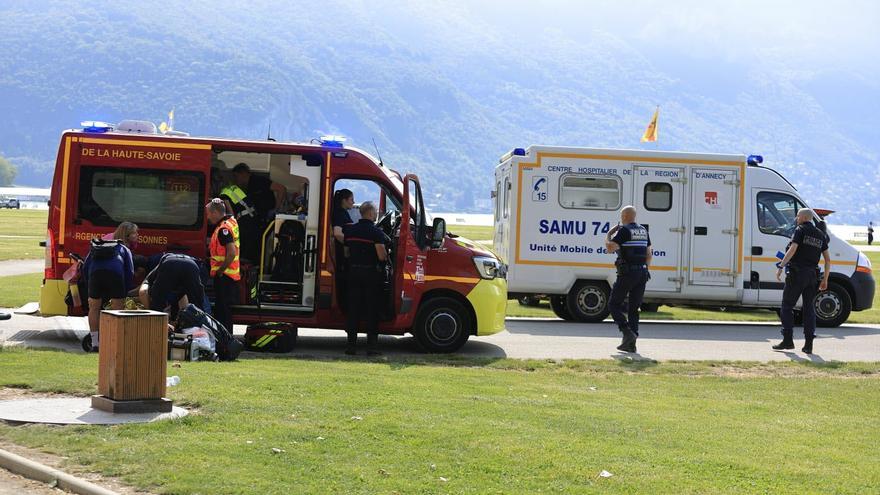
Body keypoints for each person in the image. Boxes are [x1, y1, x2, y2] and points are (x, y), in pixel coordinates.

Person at [773, 208, 831, 354]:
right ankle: (808, 345)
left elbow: (792, 249)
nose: (796, 218)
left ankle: (787, 340)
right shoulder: (820, 234)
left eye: (798, 216)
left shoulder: (800, 230)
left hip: (797, 274)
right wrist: (825, 279)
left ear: (804, 217)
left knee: (787, 306)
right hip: (813, 276)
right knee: (808, 309)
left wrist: (781, 265)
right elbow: (828, 259)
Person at [342, 201, 390, 355]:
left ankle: (351, 346)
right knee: (371, 309)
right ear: (370, 213)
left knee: (353, 309)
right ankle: (372, 347)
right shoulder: (376, 233)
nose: (376, 214)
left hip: (353, 273)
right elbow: (382, 256)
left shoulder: (350, 231)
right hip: (370, 275)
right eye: (375, 211)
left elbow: (346, 253)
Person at [605, 205, 652, 353]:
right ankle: (631, 343)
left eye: (621, 216)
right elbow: (649, 254)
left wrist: (608, 234)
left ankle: (626, 332)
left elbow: (610, 248)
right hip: (643, 273)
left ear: (624, 216)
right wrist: (645, 269)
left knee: (613, 304)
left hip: (628, 274)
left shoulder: (624, 231)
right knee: (633, 309)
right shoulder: (644, 231)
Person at [82, 237, 134, 352]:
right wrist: (125, 291)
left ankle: (95, 344)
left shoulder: (96, 247)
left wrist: (89, 286)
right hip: (115, 274)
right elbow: (130, 271)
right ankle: (114, 343)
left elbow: (85, 267)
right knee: (117, 310)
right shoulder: (124, 249)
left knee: (94, 308)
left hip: (95, 275)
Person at [206, 198, 240, 335]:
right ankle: (227, 340)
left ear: (215, 213)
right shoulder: (231, 222)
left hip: (224, 276)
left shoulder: (223, 229)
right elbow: (230, 213)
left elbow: (231, 253)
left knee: (223, 312)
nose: (207, 217)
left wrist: (220, 270)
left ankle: (225, 342)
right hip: (230, 276)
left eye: (208, 213)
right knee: (226, 311)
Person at [138, 253, 208, 319]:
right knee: (197, 308)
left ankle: (158, 324)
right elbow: (182, 297)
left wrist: (151, 310)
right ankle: (199, 326)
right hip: (192, 265)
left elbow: (143, 291)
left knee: (157, 304)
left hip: (169, 264)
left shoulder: (151, 276)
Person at [332, 189, 355, 309]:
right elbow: (337, 233)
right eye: (351, 199)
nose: (353, 202)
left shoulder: (342, 212)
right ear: (344, 200)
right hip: (341, 254)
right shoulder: (340, 213)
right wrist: (351, 245)